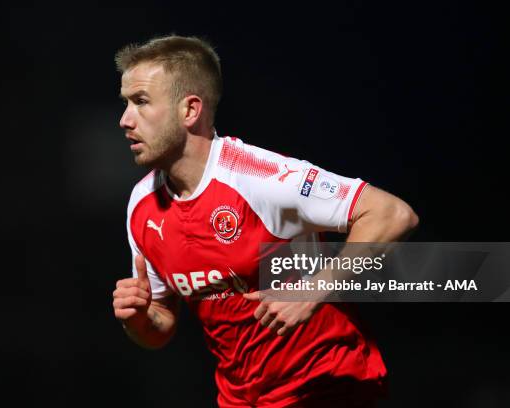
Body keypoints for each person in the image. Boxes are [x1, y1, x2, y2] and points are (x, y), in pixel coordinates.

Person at [112, 35, 419, 407]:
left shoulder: (260, 177)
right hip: (241, 398)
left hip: (330, 386)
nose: (125, 119)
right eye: (126, 103)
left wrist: (314, 289)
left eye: (141, 102)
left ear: (190, 110)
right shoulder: (142, 204)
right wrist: (139, 318)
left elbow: (392, 214)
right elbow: (160, 327)